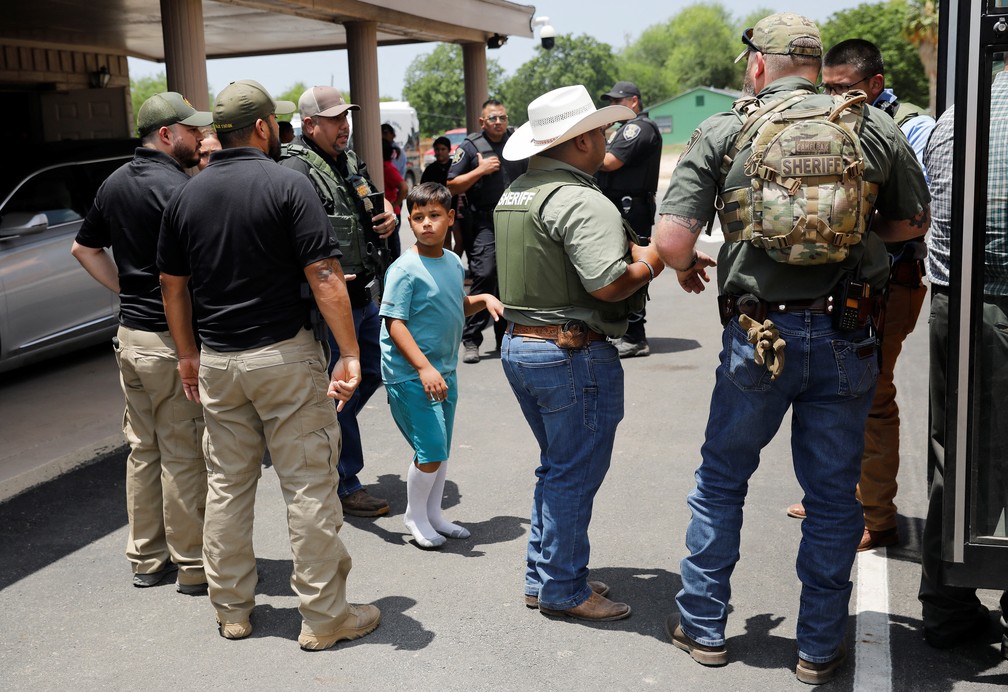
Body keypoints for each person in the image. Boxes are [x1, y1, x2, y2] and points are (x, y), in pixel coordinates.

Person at [652, 14, 930, 684]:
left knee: (721, 482)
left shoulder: (726, 129)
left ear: (757, 66)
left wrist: (703, 258)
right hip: (846, 332)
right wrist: (854, 238)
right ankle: (816, 647)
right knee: (835, 497)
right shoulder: (871, 125)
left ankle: (705, 627)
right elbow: (913, 221)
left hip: (757, 337)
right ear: (816, 64)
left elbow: (672, 244)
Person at [157, 79, 381, 650]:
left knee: (228, 488)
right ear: (262, 127)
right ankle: (325, 618)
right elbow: (324, 274)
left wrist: (187, 354)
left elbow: (172, 286)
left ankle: (232, 608)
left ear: (218, 132)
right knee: (307, 485)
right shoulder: (285, 183)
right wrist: (349, 354)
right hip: (283, 356)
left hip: (218, 361)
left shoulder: (188, 194)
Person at [494, 84, 665, 621]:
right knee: (572, 474)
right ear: (584, 139)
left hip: (523, 344)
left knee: (557, 469)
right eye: (601, 129)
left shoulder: (517, 192)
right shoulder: (579, 198)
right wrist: (658, 259)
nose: (608, 136)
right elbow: (609, 284)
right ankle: (564, 588)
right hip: (570, 353)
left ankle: (543, 577)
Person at [785, 39, 936, 552]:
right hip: (844, 285)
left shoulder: (910, 129)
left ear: (875, 85)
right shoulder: (835, 122)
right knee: (835, 392)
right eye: (825, 87)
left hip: (892, 284)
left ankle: (877, 514)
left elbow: (918, 219)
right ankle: (838, 493)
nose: (831, 98)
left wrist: (852, 229)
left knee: (873, 397)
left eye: (843, 89)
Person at [70, 92, 211, 593]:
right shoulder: (180, 189)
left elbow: (83, 247)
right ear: (167, 135)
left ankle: (148, 559)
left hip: (131, 337)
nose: (199, 139)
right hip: (172, 342)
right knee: (182, 454)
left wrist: (126, 290)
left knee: (143, 450)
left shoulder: (114, 182)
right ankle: (193, 564)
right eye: (193, 131)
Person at [918, 69, 1008, 656]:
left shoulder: (963, 110)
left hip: (956, 297)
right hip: (999, 296)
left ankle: (947, 608)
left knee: (955, 453)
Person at [280, 86, 398, 518]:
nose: (344, 126)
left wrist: (387, 218)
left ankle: (320, 428)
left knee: (372, 372)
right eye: (334, 120)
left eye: (345, 118)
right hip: (332, 301)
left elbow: (367, 206)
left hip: (365, 293)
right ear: (309, 124)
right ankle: (345, 482)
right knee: (344, 386)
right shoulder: (294, 169)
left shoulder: (349, 159)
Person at [380, 182, 503, 548]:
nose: (427, 224)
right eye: (418, 218)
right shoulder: (404, 269)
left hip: (443, 371)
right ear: (409, 221)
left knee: (440, 448)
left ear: (450, 218)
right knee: (431, 448)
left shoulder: (451, 262)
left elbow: (455, 304)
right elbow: (394, 322)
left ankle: (434, 514)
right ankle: (415, 517)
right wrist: (423, 368)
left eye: (434, 216)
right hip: (411, 375)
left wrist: (482, 298)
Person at [448, 98, 528, 364]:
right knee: (485, 273)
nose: (498, 123)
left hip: (517, 220)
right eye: (492, 119)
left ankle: (505, 336)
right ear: (482, 122)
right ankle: (471, 338)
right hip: (485, 222)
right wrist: (480, 171)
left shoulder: (518, 141)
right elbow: (452, 185)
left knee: (512, 280)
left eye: (502, 118)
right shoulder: (471, 147)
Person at [596, 80, 663, 358]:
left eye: (617, 102)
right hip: (621, 205)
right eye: (610, 102)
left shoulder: (638, 127)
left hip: (630, 208)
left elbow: (610, 162)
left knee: (630, 269)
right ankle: (625, 331)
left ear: (633, 102)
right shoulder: (623, 129)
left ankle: (635, 336)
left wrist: (585, 149)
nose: (612, 106)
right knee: (616, 267)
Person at [421, 136, 463, 255]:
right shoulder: (430, 169)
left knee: (461, 241)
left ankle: (455, 263)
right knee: (445, 241)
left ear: (449, 150)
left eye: (443, 149)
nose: (439, 152)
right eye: (437, 149)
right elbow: (423, 190)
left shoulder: (456, 166)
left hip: (457, 208)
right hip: (438, 209)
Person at [383, 138, 408, 217]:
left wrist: (394, 205)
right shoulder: (386, 167)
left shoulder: (387, 168)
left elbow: (404, 188)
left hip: (391, 213)